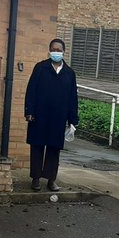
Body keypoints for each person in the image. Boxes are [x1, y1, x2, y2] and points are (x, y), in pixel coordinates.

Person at [24, 38, 79, 191]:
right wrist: (29, 111)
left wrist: (73, 119)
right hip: (39, 115)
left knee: (54, 149)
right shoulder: (40, 68)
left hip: (58, 117)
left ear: (64, 52)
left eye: (59, 49)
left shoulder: (69, 73)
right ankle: (35, 178)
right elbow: (31, 90)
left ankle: (51, 179)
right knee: (37, 146)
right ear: (49, 51)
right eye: (53, 49)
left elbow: (72, 97)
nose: (56, 52)